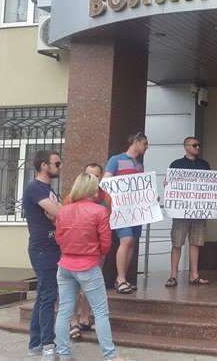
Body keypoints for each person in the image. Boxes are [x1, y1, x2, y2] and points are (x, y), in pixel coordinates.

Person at [53, 173, 133, 361]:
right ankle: (111, 356)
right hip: (88, 265)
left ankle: (63, 354)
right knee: (101, 312)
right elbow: (106, 244)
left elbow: (58, 239)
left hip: (65, 265)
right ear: (92, 189)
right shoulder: (99, 211)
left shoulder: (64, 211)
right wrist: (93, 251)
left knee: (64, 311)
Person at [22, 150, 62, 360]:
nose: (59, 166)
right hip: (42, 249)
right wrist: (59, 213)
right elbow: (59, 213)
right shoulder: (35, 188)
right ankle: (48, 345)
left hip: (52, 247)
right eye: (57, 163)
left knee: (44, 295)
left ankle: (36, 343)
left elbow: (58, 213)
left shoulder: (49, 189)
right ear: (44, 165)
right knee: (48, 295)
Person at [62, 163, 108, 340]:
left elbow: (109, 223)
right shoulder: (70, 199)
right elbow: (61, 228)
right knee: (72, 289)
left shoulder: (106, 198)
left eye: (96, 176)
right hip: (74, 253)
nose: (92, 179)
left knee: (89, 287)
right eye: (89, 175)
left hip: (95, 253)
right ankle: (73, 321)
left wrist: (102, 250)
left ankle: (85, 316)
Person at [104, 132, 148, 294]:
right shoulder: (116, 160)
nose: (146, 147)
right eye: (144, 143)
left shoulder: (139, 165)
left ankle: (122, 278)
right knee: (126, 239)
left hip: (136, 210)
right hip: (121, 209)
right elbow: (106, 180)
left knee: (132, 241)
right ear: (136, 142)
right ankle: (121, 278)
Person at [166, 136, 212, 288]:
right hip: (181, 211)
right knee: (177, 242)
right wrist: (167, 184)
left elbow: (211, 185)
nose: (197, 147)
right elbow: (169, 184)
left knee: (196, 243)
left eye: (199, 145)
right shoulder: (176, 164)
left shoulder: (204, 165)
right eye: (194, 145)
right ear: (186, 147)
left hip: (198, 210)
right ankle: (173, 275)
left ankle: (194, 275)